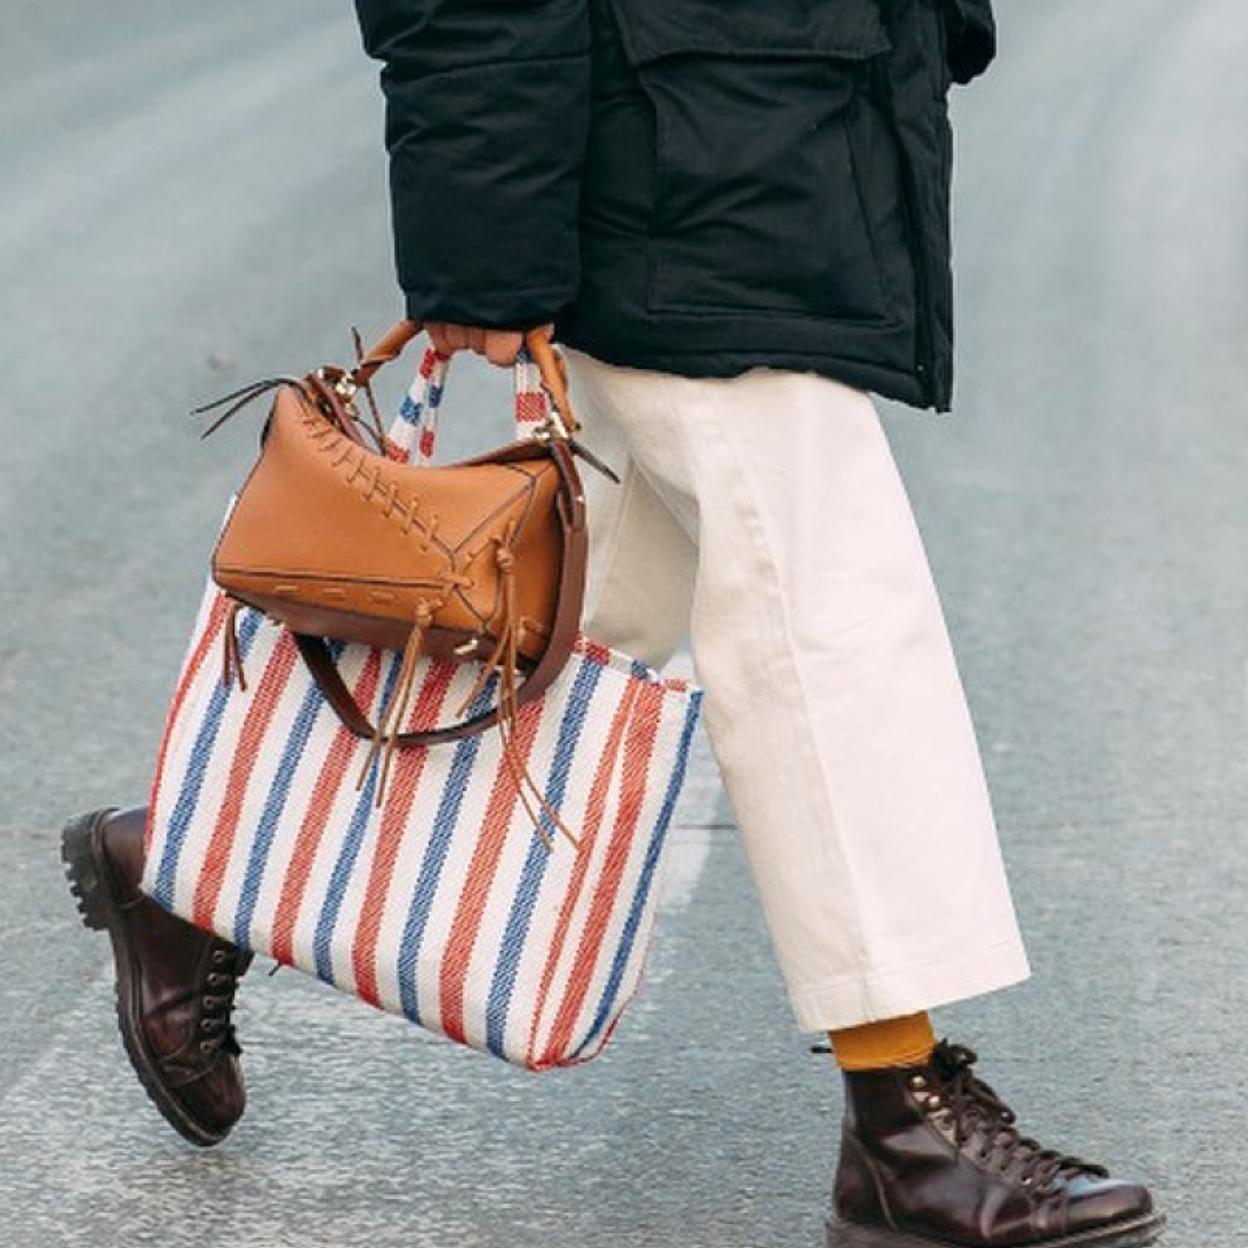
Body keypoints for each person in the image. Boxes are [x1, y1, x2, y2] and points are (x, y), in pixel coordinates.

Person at [60, 1, 1163, 1245]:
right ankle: (904, 1120)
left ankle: (202, 864)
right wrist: (484, 240)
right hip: (671, 154)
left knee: (586, 625)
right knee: (828, 617)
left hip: (770, 127)